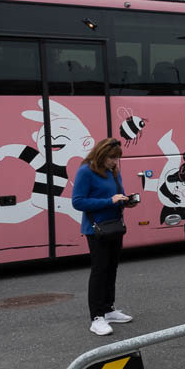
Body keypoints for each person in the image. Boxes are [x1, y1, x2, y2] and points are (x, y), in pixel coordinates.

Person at [71, 137, 137, 336]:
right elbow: (78, 202)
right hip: (96, 229)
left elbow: (117, 196)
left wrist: (126, 201)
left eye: (117, 158)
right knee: (99, 271)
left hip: (114, 226)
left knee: (111, 268)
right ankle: (96, 317)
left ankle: (108, 309)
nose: (115, 162)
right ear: (101, 155)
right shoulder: (86, 171)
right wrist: (109, 201)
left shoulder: (113, 171)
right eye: (111, 158)